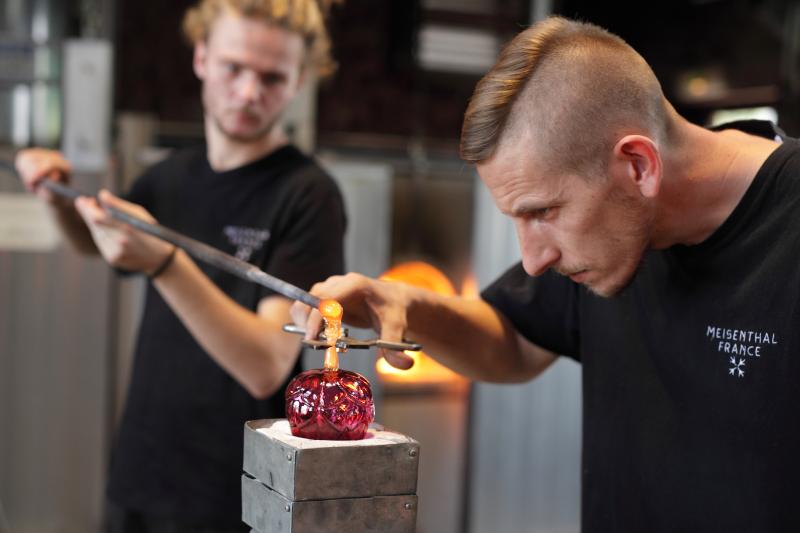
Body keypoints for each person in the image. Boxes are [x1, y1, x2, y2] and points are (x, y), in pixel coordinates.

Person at [292, 16, 800, 532]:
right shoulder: (612, 227)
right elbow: (514, 338)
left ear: (639, 165)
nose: (534, 260)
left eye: (543, 212)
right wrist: (405, 304)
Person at [16, 0, 346, 531]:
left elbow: (266, 363)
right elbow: (99, 244)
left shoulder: (308, 196)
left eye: (271, 77)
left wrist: (167, 264)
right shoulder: (169, 177)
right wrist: (55, 197)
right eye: (233, 68)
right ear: (201, 58)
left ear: (299, 80)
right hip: (139, 472)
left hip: (233, 493)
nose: (248, 92)